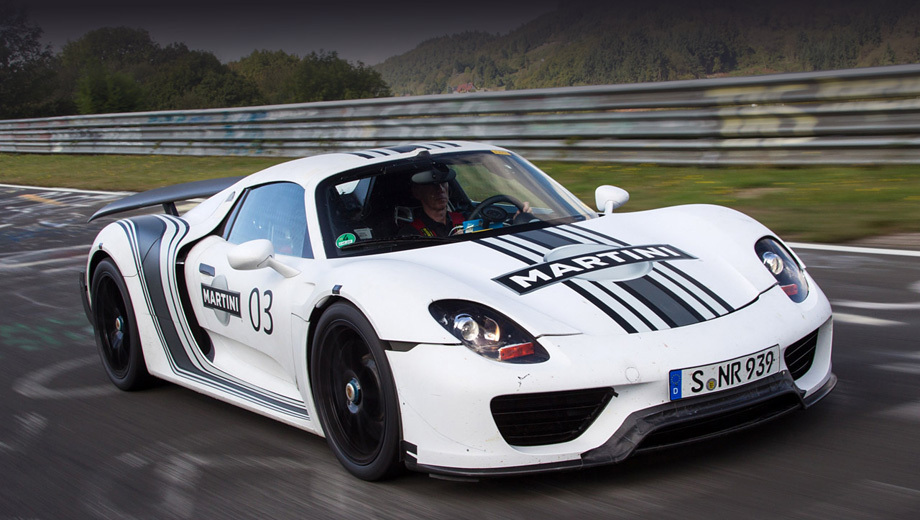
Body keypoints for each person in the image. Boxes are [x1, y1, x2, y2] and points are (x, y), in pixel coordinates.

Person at [397, 167, 464, 237]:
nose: (440, 189)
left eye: (443, 182)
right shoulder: (411, 233)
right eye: (432, 184)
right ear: (417, 192)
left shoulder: (464, 218)